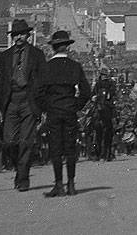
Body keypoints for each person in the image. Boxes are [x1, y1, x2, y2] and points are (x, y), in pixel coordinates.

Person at [36, 30, 91, 197]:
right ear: (67, 47)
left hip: (53, 111)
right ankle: (72, 184)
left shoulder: (46, 67)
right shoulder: (75, 66)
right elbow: (86, 91)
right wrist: (76, 105)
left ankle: (58, 185)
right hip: (69, 111)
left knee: (55, 148)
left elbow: (37, 93)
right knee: (70, 148)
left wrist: (46, 107)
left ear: (53, 48)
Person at [0, 19, 46, 192]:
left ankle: (23, 179)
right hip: (10, 101)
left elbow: (42, 82)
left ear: (28, 35)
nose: (19, 37)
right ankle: (19, 169)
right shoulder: (6, 56)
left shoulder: (37, 55)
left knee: (25, 142)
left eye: (22, 34)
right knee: (9, 141)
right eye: (15, 34)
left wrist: (42, 106)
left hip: (28, 101)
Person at [92, 68, 117, 161]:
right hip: (98, 102)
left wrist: (110, 94)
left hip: (108, 104)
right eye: (102, 75)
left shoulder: (111, 83)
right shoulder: (97, 84)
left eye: (105, 75)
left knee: (113, 115)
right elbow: (93, 93)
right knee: (91, 114)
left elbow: (113, 92)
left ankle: (108, 153)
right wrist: (93, 97)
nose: (104, 76)